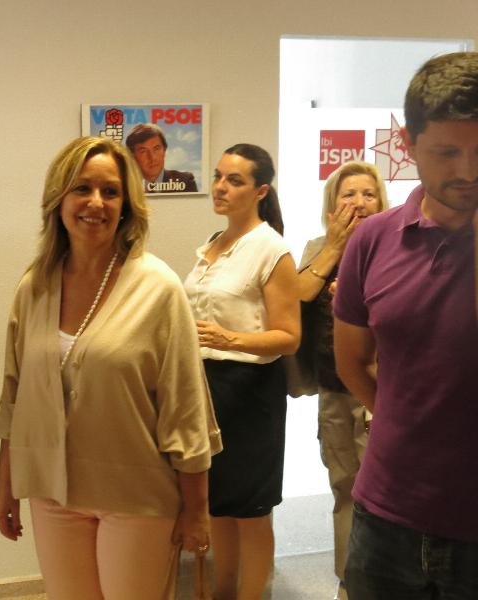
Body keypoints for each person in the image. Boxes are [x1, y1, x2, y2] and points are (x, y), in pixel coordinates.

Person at [0, 136, 220, 600]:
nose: (96, 202)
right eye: (82, 189)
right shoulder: (35, 287)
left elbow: (185, 409)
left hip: (136, 496)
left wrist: (197, 510)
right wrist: (5, 486)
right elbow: (15, 398)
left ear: (127, 205)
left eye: (110, 192)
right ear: (59, 199)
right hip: (53, 492)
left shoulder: (158, 288)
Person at [334, 52, 478, 600]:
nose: (468, 171)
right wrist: (404, 420)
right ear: (408, 145)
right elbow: (352, 362)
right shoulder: (372, 240)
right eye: (447, 152)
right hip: (387, 516)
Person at [184, 143, 300, 600]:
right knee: (218, 503)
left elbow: (288, 337)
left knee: (251, 510)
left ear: (260, 191)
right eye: (218, 176)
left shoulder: (272, 249)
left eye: (234, 180)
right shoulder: (213, 244)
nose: (220, 187)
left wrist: (228, 339)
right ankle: (222, 593)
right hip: (207, 386)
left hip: (250, 390)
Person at [294, 161, 388, 599]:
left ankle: (383, 582)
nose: (359, 203)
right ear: (332, 205)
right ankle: (348, 584)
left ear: (382, 201)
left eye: (368, 194)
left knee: (383, 494)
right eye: (348, 194)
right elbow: (296, 295)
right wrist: (334, 248)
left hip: (383, 389)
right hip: (333, 388)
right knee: (344, 487)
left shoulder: (395, 245)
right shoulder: (318, 247)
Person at [125, 123, 199, 193]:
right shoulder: (125, 187)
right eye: (143, 151)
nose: (152, 157)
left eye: (156, 148)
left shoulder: (186, 181)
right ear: (132, 156)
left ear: (164, 150)